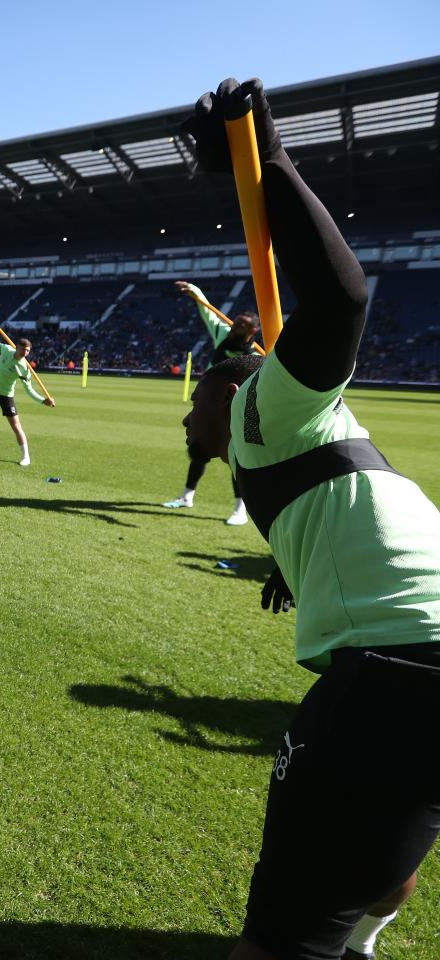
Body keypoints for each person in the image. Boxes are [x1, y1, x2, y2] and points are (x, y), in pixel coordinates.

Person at [181, 79, 440, 960]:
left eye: (189, 405)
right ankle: (366, 937)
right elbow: (344, 495)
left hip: (407, 669)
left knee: (284, 939)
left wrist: (275, 162)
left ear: (228, 385)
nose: (184, 426)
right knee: (400, 829)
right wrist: (291, 565)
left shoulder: (266, 406)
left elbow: (341, 299)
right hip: (419, 651)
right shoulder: (293, 439)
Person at [163, 282, 261, 524]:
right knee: (198, 447)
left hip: (237, 408)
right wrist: (195, 292)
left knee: (236, 456)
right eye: (235, 321)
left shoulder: (259, 356)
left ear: (253, 332)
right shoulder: (221, 334)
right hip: (210, 402)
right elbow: (207, 310)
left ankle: (240, 510)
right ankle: (187, 497)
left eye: (241, 325)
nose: (234, 326)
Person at [0, 323, 55, 465]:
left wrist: (43, 400)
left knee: (16, 426)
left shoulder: (24, 368)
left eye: (28, 351)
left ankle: (26, 457)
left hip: (6, 396)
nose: (25, 353)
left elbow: (29, 390)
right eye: (24, 350)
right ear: (17, 347)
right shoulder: (6, 350)